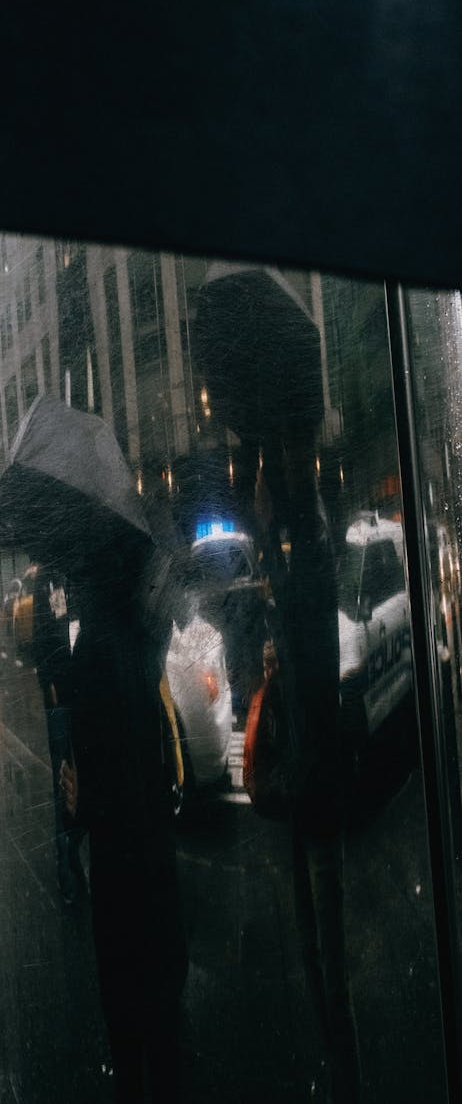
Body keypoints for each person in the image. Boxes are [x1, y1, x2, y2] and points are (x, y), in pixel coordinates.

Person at [60, 535, 188, 1103]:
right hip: (156, 865)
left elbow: (96, 787)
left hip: (118, 872)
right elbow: (153, 760)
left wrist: (76, 799)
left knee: (128, 1031)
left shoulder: (90, 652)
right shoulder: (145, 641)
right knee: (165, 1027)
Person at [255, 435, 362, 1104]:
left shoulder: (315, 552)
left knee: (327, 949)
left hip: (315, 782)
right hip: (303, 777)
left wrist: (266, 539)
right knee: (311, 937)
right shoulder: (309, 556)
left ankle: (345, 1066)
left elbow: (300, 622)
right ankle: (337, 1055)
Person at [31, 562, 85, 904]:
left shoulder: (76, 575)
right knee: (63, 781)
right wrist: (50, 684)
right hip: (61, 698)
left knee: (82, 778)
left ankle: (76, 862)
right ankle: (67, 871)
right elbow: (42, 638)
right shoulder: (45, 579)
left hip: (84, 692)